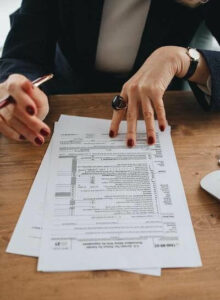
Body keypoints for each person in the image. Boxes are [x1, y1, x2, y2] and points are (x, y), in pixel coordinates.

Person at [0, 0, 219, 147]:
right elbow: (22, 54)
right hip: (65, 96)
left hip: (162, 105)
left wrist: (184, 60)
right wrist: (21, 88)